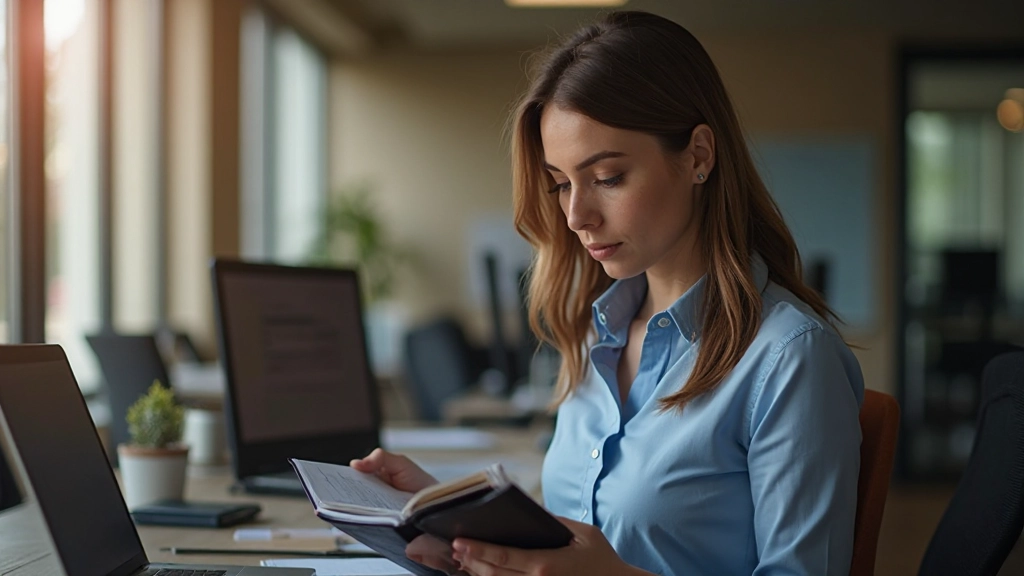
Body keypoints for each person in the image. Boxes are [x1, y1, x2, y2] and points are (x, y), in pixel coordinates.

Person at [352, 10, 864, 576]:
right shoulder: (595, 335)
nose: (576, 215)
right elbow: (586, 533)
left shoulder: (790, 359)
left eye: (608, 178)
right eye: (561, 184)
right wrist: (450, 515)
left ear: (698, 156)